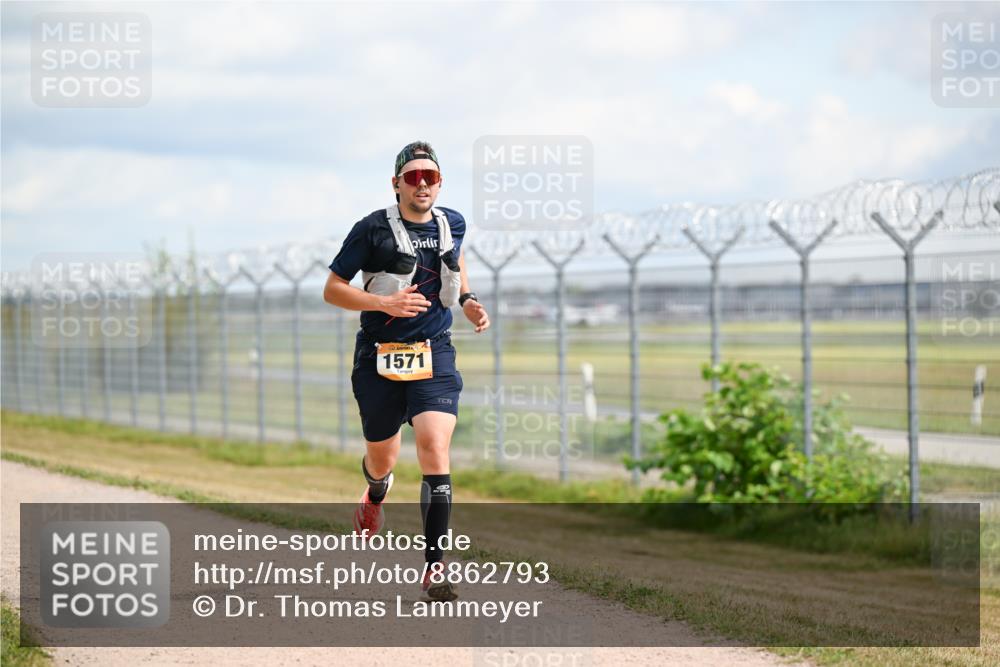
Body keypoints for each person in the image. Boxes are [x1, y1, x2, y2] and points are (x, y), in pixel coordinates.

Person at [323, 141, 489, 602]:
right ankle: (376, 492)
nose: (422, 184)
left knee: (434, 447)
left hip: (433, 351)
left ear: (439, 184)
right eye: (412, 177)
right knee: (384, 459)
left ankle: (435, 568)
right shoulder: (371, 230)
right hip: (379, 355)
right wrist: (383, 302)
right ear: (396, 184)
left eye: (430, 177)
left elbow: (455, 261)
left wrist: (470, 301)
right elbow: (332, 289)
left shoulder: (450, 222)